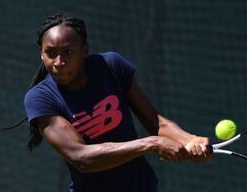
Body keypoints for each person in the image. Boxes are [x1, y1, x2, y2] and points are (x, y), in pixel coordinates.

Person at [23, 13, 212, 192]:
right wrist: (151, 144)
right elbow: (81, 157)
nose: (58, 61)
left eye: (68, 52)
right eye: (51, 53)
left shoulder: (110, 66)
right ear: (41, 54)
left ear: (84, 50)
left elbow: (154, 121)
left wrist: (190, 139)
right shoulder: (40, 99)